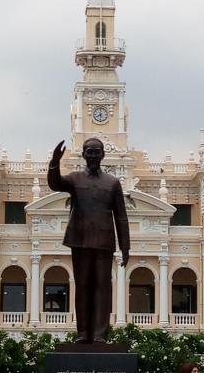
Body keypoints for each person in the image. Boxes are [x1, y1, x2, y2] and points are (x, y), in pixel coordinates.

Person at [47, 138, 130, 344]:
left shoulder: (112, 183)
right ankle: (83, 333)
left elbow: (121, 216)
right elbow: (55, 183)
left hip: (104, 241)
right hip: (81, 239)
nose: (93, 155)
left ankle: (100, 334)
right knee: (83, 286)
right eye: (89, 152)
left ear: (103, 155)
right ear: (83, 155)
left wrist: (125, 246)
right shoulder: (75, 179)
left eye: (96, 152)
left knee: (103, 286)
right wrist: (54, 162)